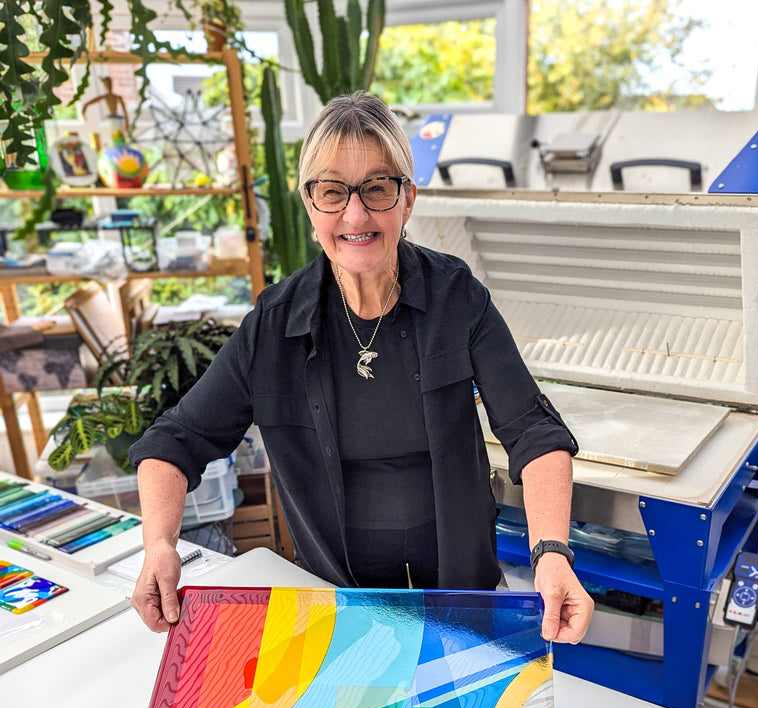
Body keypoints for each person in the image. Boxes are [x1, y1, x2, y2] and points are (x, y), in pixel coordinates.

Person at [129, 92, 594, 644]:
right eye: (332, 192)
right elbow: (175, 440)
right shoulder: (274, 326)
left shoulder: (456, 298)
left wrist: (551, 552)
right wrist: (159, 543)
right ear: (310, 206)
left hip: (461, 596)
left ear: (407, 200)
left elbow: (534, 432)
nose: (356, 214)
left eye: (377, 188)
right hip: (334, 608)